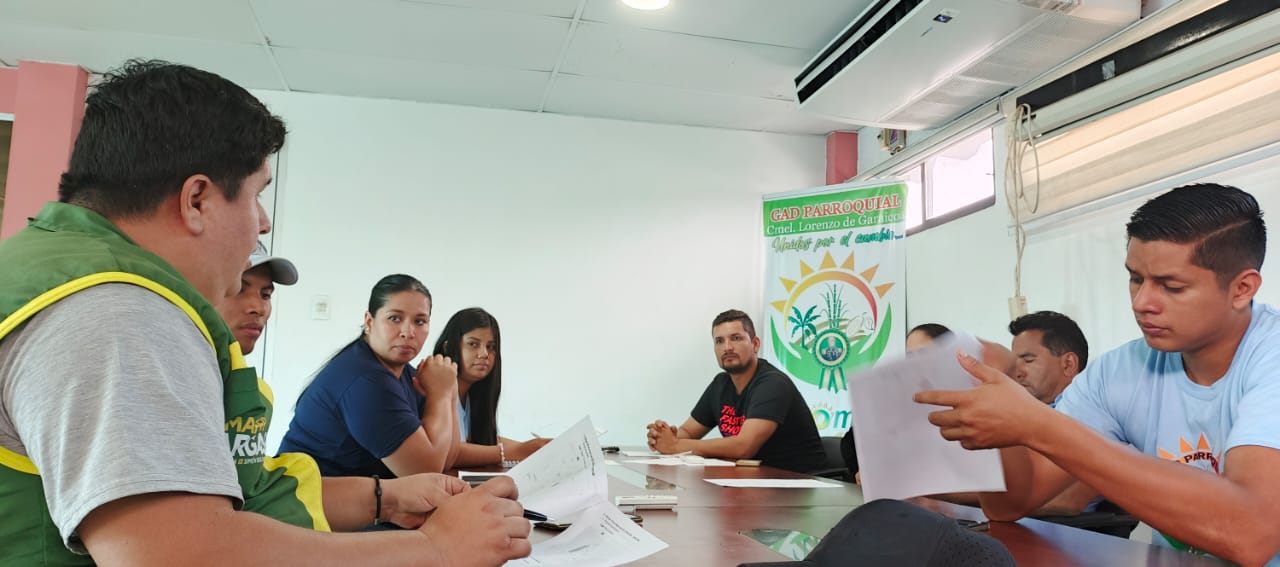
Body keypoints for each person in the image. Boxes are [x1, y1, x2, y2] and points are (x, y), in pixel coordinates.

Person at [0, 60, 528, 566]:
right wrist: (437, 551)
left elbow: (241, 489)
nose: (262, 223)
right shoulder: (119, 310)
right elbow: (182, 553)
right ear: (197, 200)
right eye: (257, 195)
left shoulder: (71, 273)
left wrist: (385, 499)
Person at [917, 184, 1280, 566]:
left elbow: (1251, 536)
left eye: (1171, 286)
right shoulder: (1119, 372)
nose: (1141, 303)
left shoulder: (1269, 357)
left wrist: (1038, 425)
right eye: (1136, 279)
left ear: (1242, 289)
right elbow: (1010, 505)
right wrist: (1000, 413)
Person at [281, 275, 462, 479]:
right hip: (305, 496)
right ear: (369, 321)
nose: (408, 332)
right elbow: (425, 472)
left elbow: (448, 457)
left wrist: (450, 390)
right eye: (395, 318)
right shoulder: (365, 380)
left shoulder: (406, 374)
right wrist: (441, 395)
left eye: (419, 321)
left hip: (360, 495)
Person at [645, 309, 825, 473]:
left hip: (799, 483)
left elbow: (744, 447)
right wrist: (664, 437)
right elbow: (688, 431)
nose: (727, 347)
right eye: (719, 341)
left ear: (755, 344)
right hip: (753, 480)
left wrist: (676, 446)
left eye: (736, 338)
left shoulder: (773, 384)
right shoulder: (721, 384)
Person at [432, 308, 551, 467]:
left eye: (491, 347)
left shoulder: (472, 395)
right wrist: (518, 451)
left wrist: (537, 447)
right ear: (448, 347)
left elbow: (479, 441)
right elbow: (447, 451)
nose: (484, 354)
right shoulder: (433, 390)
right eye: (473, 344)